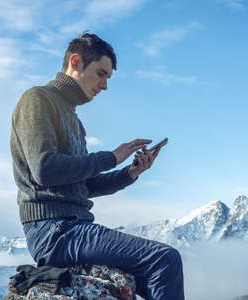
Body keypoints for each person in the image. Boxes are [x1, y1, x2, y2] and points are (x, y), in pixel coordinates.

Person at [9, 33, 185, 300]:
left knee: (152, 275)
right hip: (54, 230)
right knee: (164, 260)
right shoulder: (37, 100)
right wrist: (110, 157)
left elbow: (82, 186)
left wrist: (131, 173)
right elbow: (44, 170)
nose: (104, 86)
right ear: (76, 61)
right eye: (101, 74)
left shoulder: (75, 122)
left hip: (71, 227)